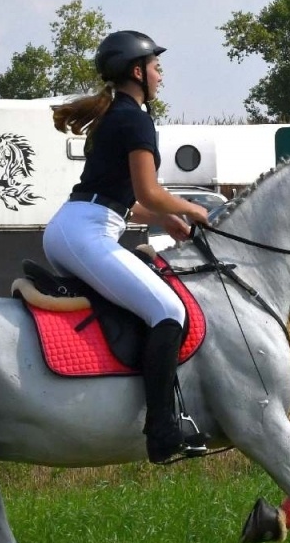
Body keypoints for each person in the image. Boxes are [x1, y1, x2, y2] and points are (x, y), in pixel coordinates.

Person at [43, 30, 211, 463]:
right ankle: (162, 429)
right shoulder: (135, 120)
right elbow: (149, 191)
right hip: (86, 233)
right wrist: (192, 208)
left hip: (74, 227)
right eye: (156, 67)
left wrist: (164, 219)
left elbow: (125, 200)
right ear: (137, 72)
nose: (161, 75)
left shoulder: (115, 115)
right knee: (169, 311)